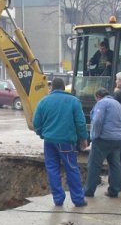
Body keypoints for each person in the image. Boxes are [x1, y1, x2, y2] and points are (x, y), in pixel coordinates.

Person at [33, 77, 89, 207]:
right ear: (64, 87)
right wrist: (83, 138)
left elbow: (36, 123)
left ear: (51, 87)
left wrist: (42, 133)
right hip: (66, 142)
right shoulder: (73, 101)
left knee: (52, 169)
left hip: (49, 142)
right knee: (71, 168)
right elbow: (80, 123)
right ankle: (78, 200)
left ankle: (58, 199)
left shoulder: (43, 101)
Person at [84, 87, 121, 198]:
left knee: (94, 165)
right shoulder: (118, 104)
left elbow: (97, 121)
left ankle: (89, 190)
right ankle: (114, 190)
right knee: (115, 165)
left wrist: (94, 136)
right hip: (118, 139)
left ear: (97, 97)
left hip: (103, 139)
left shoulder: (102, 103)